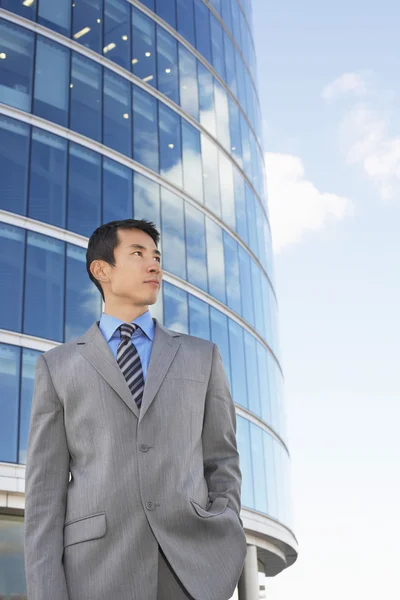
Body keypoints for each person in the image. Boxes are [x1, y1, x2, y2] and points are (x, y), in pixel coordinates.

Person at [24, 218, 247, 600]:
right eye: (138, 254)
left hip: (190, 570)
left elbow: (222, 460)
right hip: (95, 572)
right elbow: (44, 495)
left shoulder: (202, 356)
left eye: (157, 257)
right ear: (102, 270)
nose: (154, 265)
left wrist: (224, 529)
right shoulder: (57, 366)